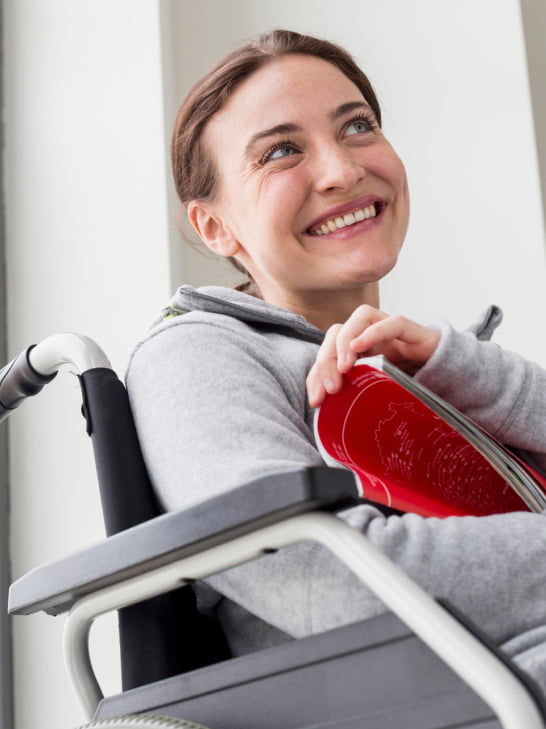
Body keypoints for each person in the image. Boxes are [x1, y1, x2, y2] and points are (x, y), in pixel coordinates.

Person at [126, 29, 546, 691]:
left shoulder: (437, 371)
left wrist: (462, 365)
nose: (343, 170)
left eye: (357, 126)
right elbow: (324, 580)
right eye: (281, 150)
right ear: (214, 227)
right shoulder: (198, 353)